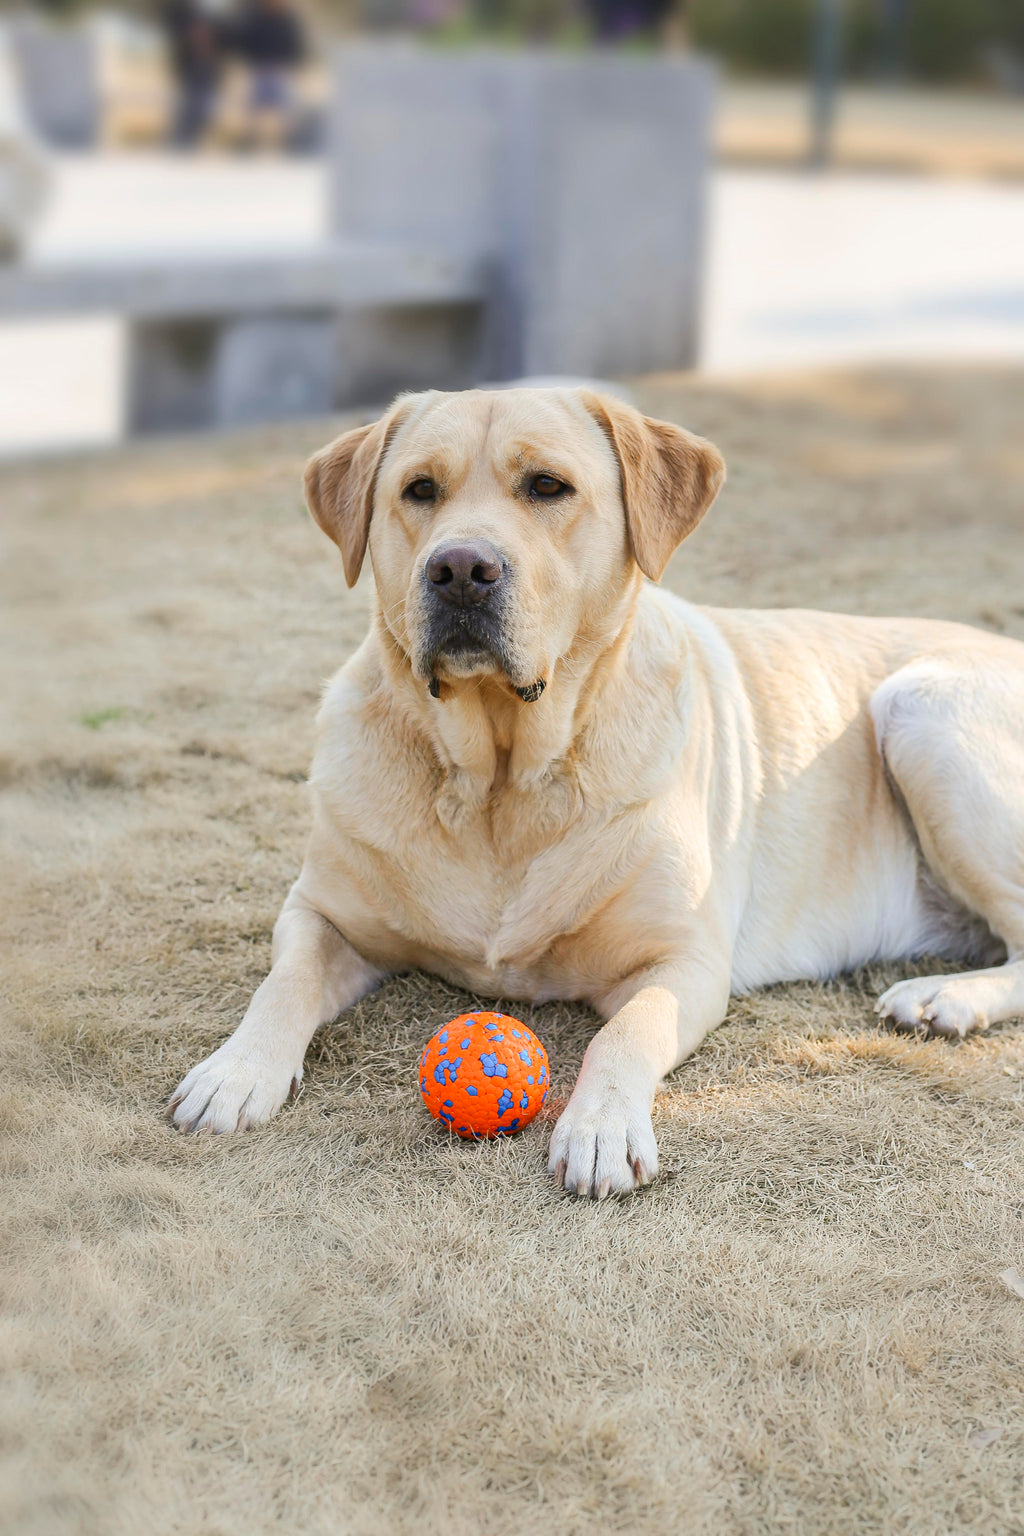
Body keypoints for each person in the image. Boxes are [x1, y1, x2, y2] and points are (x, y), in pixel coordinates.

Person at [231, 0, 305, 150]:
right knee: (248, 105)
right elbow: (242, 49)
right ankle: (248, 139)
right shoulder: (253, 21)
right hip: (256, 70)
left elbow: (296, 51)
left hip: (281, 71)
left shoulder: (288, 23)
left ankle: (289, 141)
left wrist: (286, 66)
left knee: (289, 105)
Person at [162, 0, 224, 147]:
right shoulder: (180, 21)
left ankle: (184, 139)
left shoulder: (214, 52)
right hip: (190, 76)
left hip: (206, 79)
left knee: (199, 106)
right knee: (191, 105)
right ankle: (182, 140)